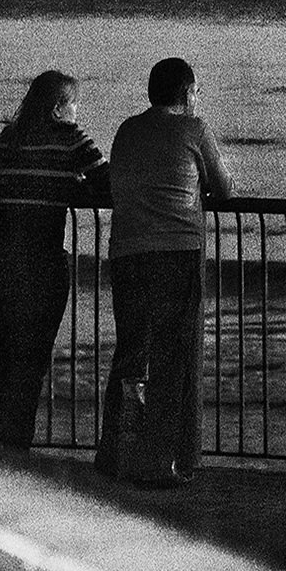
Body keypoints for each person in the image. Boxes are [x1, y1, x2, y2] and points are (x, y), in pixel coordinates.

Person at [98, 56, 234, 487]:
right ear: (187, 93)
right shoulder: (194, 130)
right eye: (196, 92)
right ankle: (160, 460)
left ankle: (115, 454)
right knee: (173, 358)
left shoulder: (127, 130)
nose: (198, 99)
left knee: (132, 352)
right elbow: (225, 188)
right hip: (177, 251)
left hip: (127, 251)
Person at [0, 71, 107, 448]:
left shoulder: (8, 137)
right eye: (74, 103)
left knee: (12, 354)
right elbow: (107, 183)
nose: (78, 110)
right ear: (60, 108)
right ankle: (9, 443)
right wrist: (72, 185)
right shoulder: (71, 140)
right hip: (41, 258)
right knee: (30, 359)